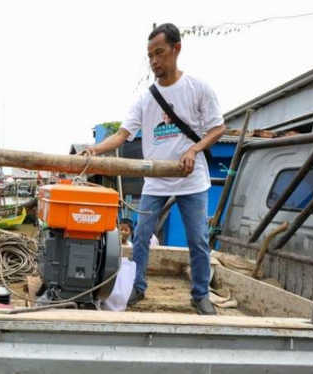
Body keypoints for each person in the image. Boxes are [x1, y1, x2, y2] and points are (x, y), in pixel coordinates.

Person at [84, 24, 225, 315]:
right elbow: (122, 134)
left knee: (198, 239)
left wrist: (193, 149)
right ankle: (138, 287)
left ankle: (200, 294)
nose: (154, 62)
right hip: (156, 182)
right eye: (150, 56)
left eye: (159, 53)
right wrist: (95, 150)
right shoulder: (146, 99)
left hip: (191, 181)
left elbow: (218, 128)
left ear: (176, 50)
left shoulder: (197, 89)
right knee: (140, 237)